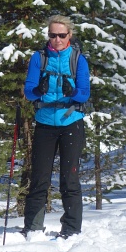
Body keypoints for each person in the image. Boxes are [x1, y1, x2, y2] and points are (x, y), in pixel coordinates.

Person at [21, 15, 90, 240]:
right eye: (53, 35)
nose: (57, 39)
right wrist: (39, 90)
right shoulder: (38, 58)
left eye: (62, 35)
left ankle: (71, 229)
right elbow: (29, 91)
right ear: (48, 36)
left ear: (69, 35)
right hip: (44, 123)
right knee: (39, 178)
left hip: (71, 122)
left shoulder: (78, 59)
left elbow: (84, 93)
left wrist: (73, 93)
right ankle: (32, 227)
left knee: (69, 179)